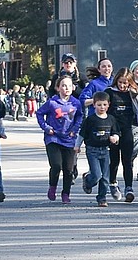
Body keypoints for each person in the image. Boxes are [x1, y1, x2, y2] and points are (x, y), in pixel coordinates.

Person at [36, 75, 83, 204]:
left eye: (69, 85)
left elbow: (80, 117)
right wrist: (46, 128)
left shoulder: (76, 103)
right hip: (53, 138)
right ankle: (52, 187)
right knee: (56, 165)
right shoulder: (52, 102)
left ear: (73, 88)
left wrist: (75, 130)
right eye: (63, 85)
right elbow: (39, 113)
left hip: (69, 138)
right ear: (58, 88)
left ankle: (66, 193)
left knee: (68, 169)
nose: (66, 88)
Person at [78, 91, 120, 207]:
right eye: (99, 105)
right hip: (92, 150)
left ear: (109, 105)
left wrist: (114, 138)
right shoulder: (90, 120)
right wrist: (77, 146)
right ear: (94, 105)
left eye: (104, 105)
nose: (102, 107)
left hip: (105, 150)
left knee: (105, 177)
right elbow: (82, 134)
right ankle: (88, 180)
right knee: (97, 175)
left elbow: (116, 133)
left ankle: (101, 198)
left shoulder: (111, 119)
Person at [105, 68, 138, 202]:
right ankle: (113, 183)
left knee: (128, 161)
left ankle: (129, 188)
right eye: (120, 82)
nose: (123, 85)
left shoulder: (133, 94)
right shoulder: (109, 92)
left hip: (127, 130)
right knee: (114, 160)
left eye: (126, 83)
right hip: (113, 131)